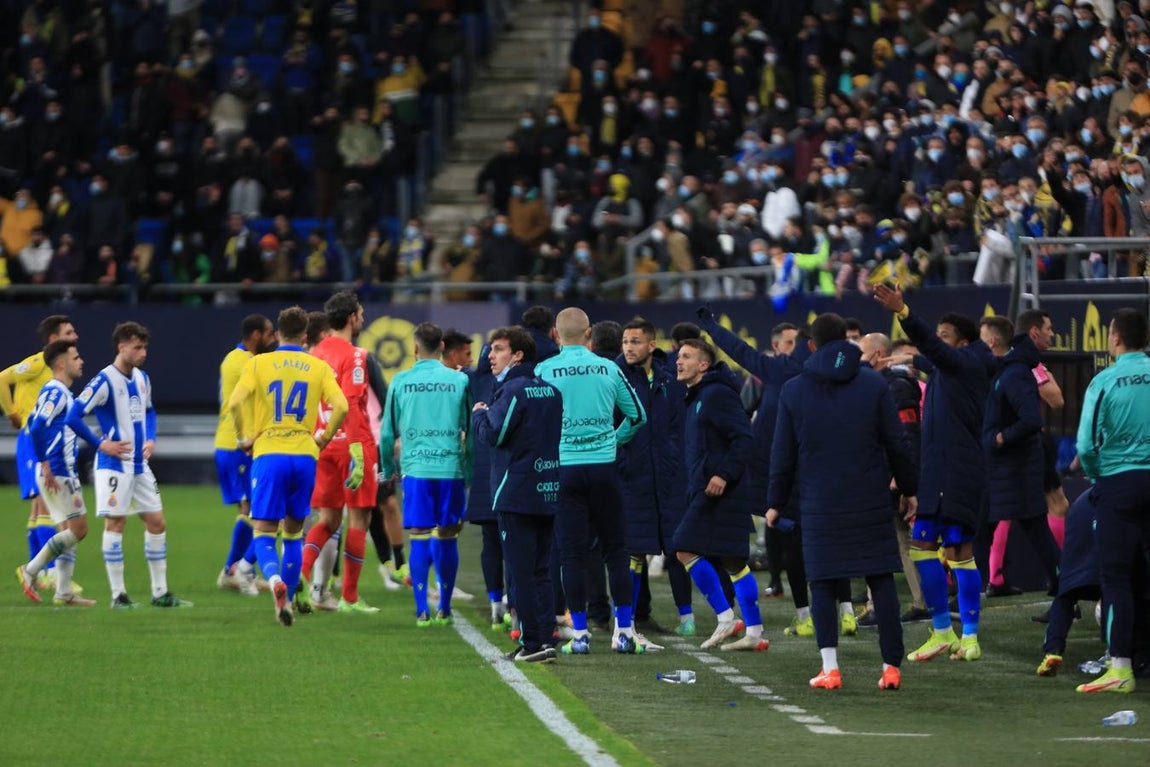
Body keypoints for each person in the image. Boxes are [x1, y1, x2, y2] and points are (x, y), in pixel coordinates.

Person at [769, 314, 918, 690]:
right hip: (869, 496)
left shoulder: (793, 389)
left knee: (822, 582)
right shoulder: (872, 383)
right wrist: (911, 489)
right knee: (879, 578)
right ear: (847, 344)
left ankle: (830, 668)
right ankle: (890, 667)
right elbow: (897, 442)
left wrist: (774, 501)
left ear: (812, 346)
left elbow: (782, 454)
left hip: (820, 500)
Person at [873, 283, 996, 663]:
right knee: (922, 546)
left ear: (960, 344)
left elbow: (931, 349)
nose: (938, 343)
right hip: (937, 472)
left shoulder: (969, 364)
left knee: (959, 552)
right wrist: (892, 363)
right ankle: (943, 631)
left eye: (945, 337)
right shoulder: (950, 367)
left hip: (960, 471)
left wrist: (903, 311)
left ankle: (970, 638)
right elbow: (923, 360)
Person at [536, 308, 647, 655]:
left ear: (556, 335)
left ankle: (581, 635)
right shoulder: (608, 367)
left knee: (571, 553)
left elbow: (537, 424)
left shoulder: (544, 370)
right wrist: (613, 440)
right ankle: (624, 631)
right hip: (603, 466)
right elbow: (638, 415)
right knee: (616, 549)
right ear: (589, 334)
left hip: (565, 468)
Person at [228, 307, 348, 626]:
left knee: (265, 530)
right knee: (294, 532)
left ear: (278, 334)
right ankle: (291, 599)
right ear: (305, 336)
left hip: (270, 454)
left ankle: (274, 580)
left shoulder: (259, 363)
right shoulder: (317, 366)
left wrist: (243, 438)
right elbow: (342, 406)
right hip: (305, 456)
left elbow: (236, 402)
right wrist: (322, 439)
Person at [66, 322, 192, 609]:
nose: (143, 352)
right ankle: (118, 596)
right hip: (113, 464)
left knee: (157, 523)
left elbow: (149, 411)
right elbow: (73, 416)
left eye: (145, 347)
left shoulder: (142, 379)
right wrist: (100, 444)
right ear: (121, 347)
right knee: (116, 523)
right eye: (137, 347)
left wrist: (151, 438)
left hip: (139, 463)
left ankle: (160, 593)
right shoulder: (103, 381)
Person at [472, 327, 564, 662]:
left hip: (517, 492)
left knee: (521, 572)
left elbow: (495, 435)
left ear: (518, 355)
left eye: (497, 349)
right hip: (548, 488)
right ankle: (545, 638)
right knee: (541, 570)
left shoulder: (513, 391)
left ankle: (532, 643)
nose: (490, 356)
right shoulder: (552, 392)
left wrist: (480, 414)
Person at [674, 338, 769, 652]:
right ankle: (753, 631)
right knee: (733, 561)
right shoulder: (699, 395)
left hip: (721, 490)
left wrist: (722, 475)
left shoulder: (716, 394)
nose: (678, 361)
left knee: (684, 548)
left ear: (703, 365)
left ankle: (726, 617)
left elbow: (744, 437)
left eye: (686, 356)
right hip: (712, 488)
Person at [1074, 308, 1150, 694]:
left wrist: (1095, 473)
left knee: (1117, 577)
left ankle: (1120, 666)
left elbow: (1085, 444)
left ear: (1115, 338)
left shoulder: (1105, 380)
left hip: (1118, 483)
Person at [379, 323, 472, 626]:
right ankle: (445, 608)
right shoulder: (459, 380)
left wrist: (389, 470)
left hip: (416, 470)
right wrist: (468, 470)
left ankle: (422, 610)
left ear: (415, 348)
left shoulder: (400, 381)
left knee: (418, 536)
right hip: (450, 469)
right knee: (447, 536)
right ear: (443, 347)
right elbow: (469, 431)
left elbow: (387, 434)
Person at [301, 291, 380, 613]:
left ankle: (298, 577)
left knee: (329, 518)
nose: (362, 318)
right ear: (351, 318)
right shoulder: (356, 356)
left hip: (321, 443)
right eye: (360, 313)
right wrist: (360, 453)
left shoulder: (314, 354)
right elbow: (350, 406)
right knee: (359, 518)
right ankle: (349, 596)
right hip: (352, 444)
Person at [617, 318, 693, 643]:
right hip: (632, 476)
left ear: (651, 345)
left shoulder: (671, 380)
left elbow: (681, 427)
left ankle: (687, 616)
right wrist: (621, 461)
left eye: (635, 342)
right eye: (625, 342)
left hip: (669, 475)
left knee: (679, 547)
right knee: (634, 550)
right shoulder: (615, 378)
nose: (628, 348)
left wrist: (677, 461)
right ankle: (628, 620)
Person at [983, 309, 1062, 606]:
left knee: (1034, 521)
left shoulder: (1017, 370)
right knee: (1034, 525)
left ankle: (1062, 587)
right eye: (1049, 328)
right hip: (1016, 461)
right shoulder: (1013, 367)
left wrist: (1000, 437)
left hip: (1018, 461)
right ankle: (1061, 588)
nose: (1052, 334)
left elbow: (1037, 413)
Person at [15, 339, 97, 607]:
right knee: (79, 530)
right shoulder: (57, 392)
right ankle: (32, 570)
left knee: (68, 530)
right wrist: (46, 461)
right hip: (58, 470)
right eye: (75, 358)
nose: (80, 361)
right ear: (61, 364)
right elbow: (37, 426)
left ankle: (63, 591)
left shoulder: (58, 392)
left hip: (59, 469)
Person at [1, 315, 79, 592]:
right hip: (34, 439)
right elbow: (2, 378)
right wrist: (11, 412)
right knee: (46, 505)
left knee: (38, 508)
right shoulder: (38, 363)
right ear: (54, 339)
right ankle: (46, 572)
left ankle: (36, 570)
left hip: (37, 439)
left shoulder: (58, 371)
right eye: (69, 333)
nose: (75, 336)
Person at [214, 314, 276, 596]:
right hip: (238, 444)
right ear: (255, 336)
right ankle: (235, 570)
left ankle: (235, 570)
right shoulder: (247, 363)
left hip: (233, 444)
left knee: (251, 508)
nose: (274, 339)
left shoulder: (232, 358)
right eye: (269, 333)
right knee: (256, 509)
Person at [1036, 489, 1101, 678]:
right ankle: (1114, 652)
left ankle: (1053, 650)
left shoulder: (1081, 501)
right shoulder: (1124, 493)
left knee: (1064, 598)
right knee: (1118, 596)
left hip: (1074, 567)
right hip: (1104, 567)